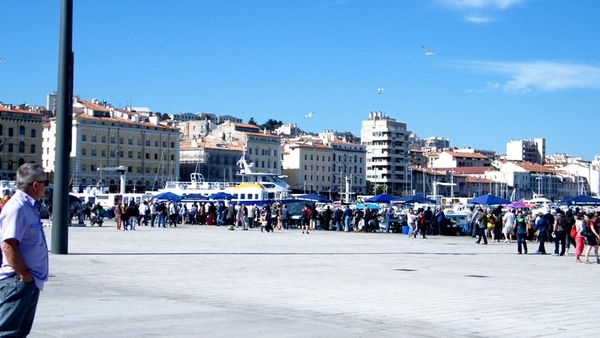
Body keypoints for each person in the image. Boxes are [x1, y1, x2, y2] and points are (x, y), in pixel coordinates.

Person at [0, 163, 49, 336]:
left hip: (29, 282)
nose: (47, 187)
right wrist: (24, 276)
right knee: (7, 332)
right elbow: (8, 246)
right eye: (46, 182)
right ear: (35, 185)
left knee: (19, 332)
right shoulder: (18, 208)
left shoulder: (29, 206)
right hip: (18, 282)